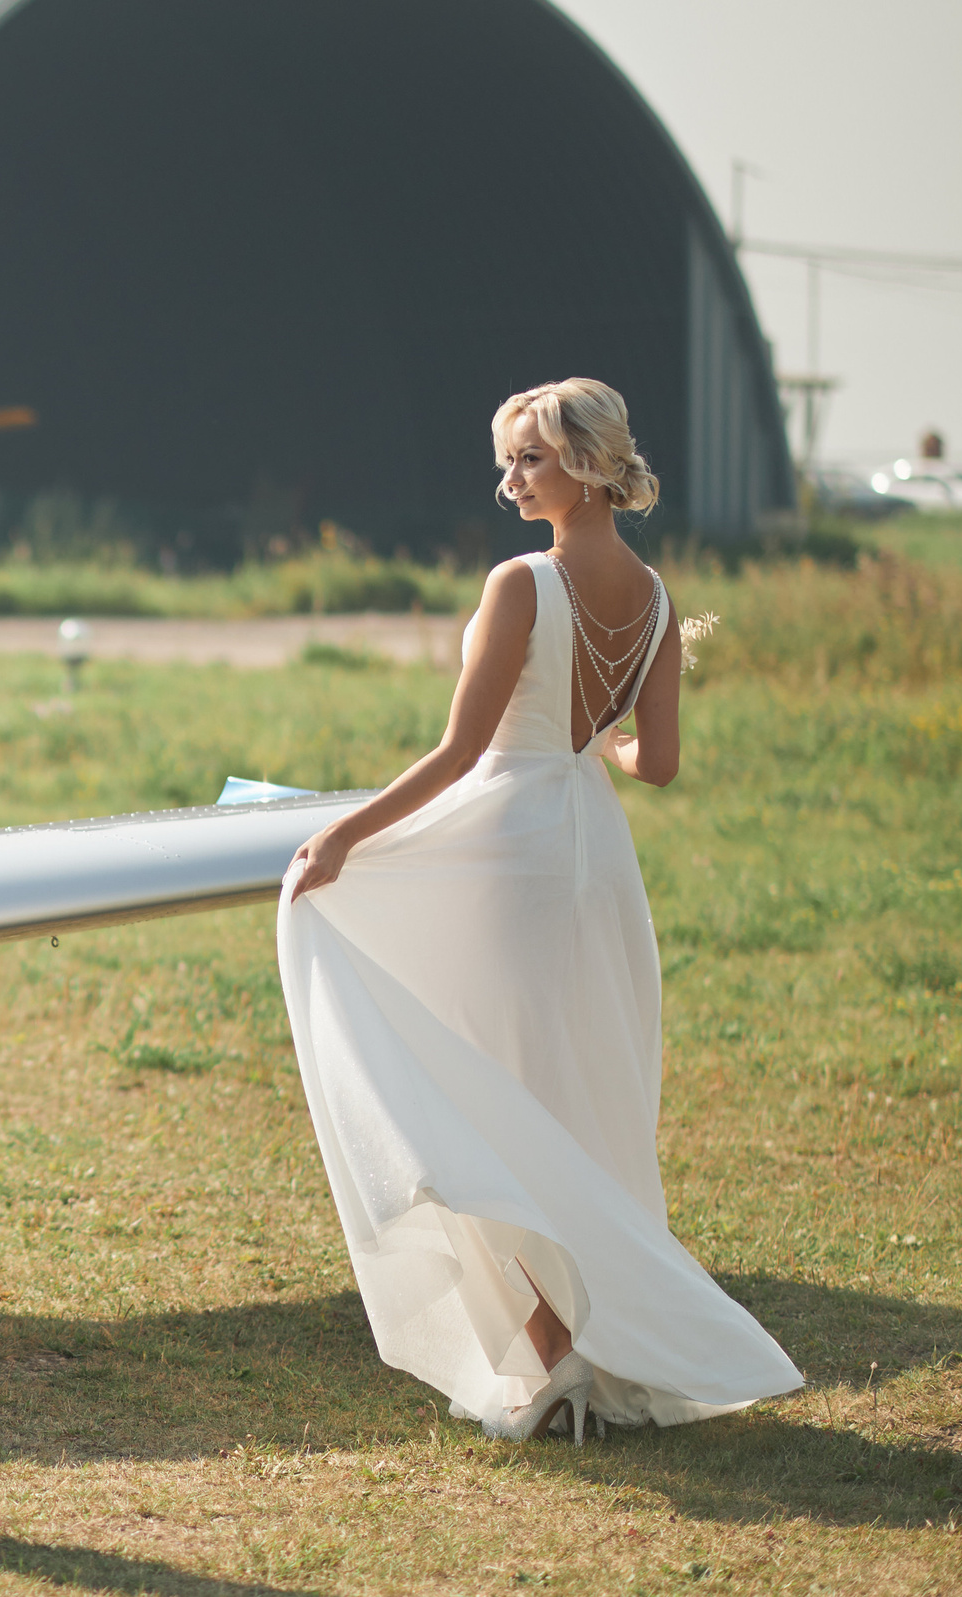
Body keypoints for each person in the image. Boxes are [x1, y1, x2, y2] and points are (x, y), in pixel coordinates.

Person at [278, 378, 801, 1441]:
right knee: (570, 1101)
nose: (508, 477)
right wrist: (591, 742)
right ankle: (572, 1352)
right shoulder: (654, 596)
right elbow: (654, 762)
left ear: (587, 467)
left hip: (505, 851)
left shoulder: (520, 582)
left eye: (527, 459)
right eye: (507, 458)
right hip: (592, 855)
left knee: (490, 1095)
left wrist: (342, 834)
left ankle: (556, 1359)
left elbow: (461, 751)